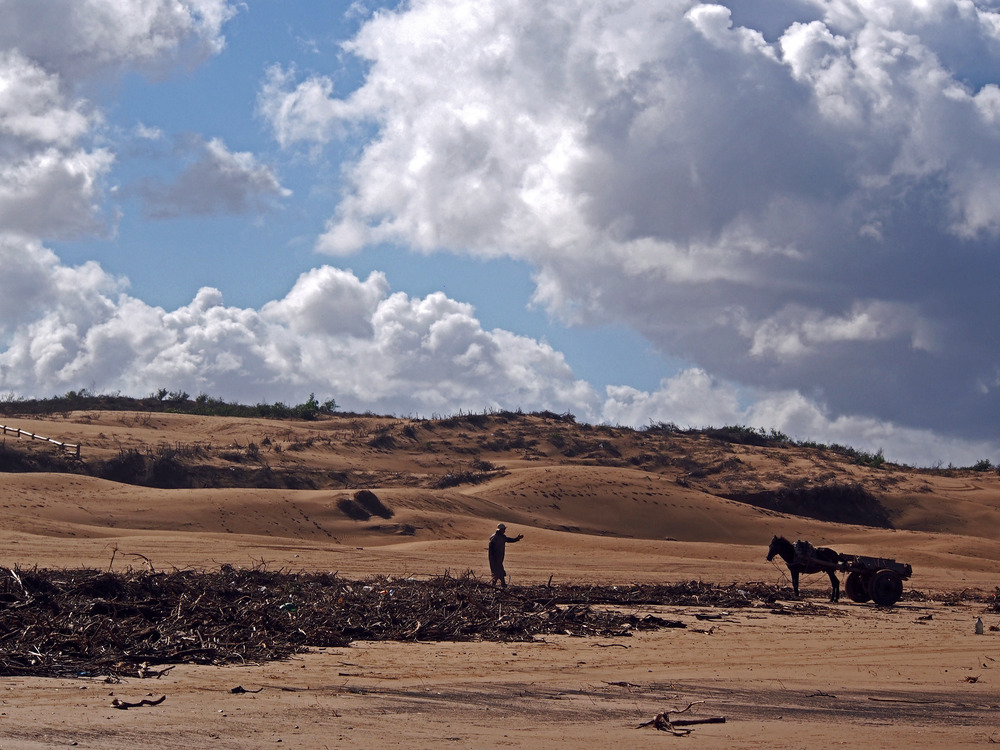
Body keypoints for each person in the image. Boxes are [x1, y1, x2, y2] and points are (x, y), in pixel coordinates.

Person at [488, 523, 523, 588]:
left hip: (499, 558)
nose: (504, 531)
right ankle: (502, 585)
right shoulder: (494, 537)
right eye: (504, 529)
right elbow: (491, 549)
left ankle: (494, 585)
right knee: (499, 572)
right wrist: (493, 558)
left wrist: (517, 538)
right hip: (494, 559)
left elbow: (510, 540)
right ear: (500, 529)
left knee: (498, 572)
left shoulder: (502, 537)